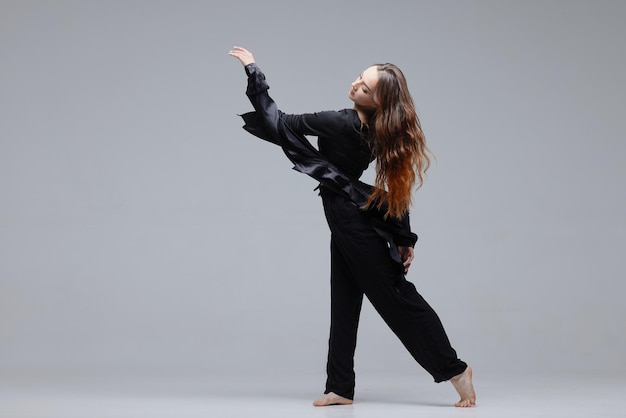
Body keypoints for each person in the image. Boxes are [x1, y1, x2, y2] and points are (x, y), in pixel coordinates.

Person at [229, 46, 476, 408]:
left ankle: (455, 369)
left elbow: (276, 121)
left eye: (365, 86)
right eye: (360, 77)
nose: (355, 84)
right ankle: (340, 386)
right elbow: (394, 189)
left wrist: (253, 72)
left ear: (378, 101)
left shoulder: (342, 121)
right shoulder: (382, 125)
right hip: (352, 211)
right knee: (344, 300)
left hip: (349, 215)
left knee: (394, 297)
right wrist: (404, 237)